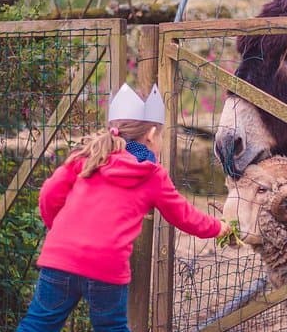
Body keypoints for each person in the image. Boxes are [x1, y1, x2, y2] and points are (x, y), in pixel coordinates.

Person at [16, 83, 230, 332]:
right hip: (106, 266)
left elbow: (49, 194)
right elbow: (183, 215)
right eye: (160, 135)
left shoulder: (87, 157)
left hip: (60, 257)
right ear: (151, 134)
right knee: (112, 327)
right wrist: (218, 228)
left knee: (37, 324)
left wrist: (58, 230)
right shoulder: (150, 174)